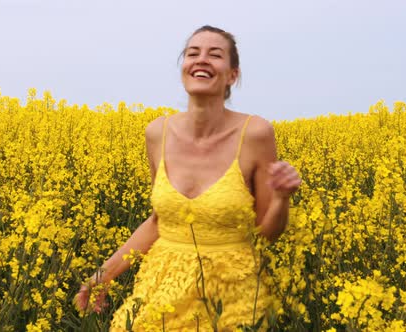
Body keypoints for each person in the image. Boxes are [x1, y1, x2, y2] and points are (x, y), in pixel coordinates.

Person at [74, 25, 302, 331]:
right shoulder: (157, 134)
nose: (201, 59)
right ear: (184, 68)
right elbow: (158, 222)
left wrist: (282, 198)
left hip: (231, 297)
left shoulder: (256, 133)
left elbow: (268, 233)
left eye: (215, 54)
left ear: (232, 75)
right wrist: (104, 275)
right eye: (193, 53)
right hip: (161, 290)